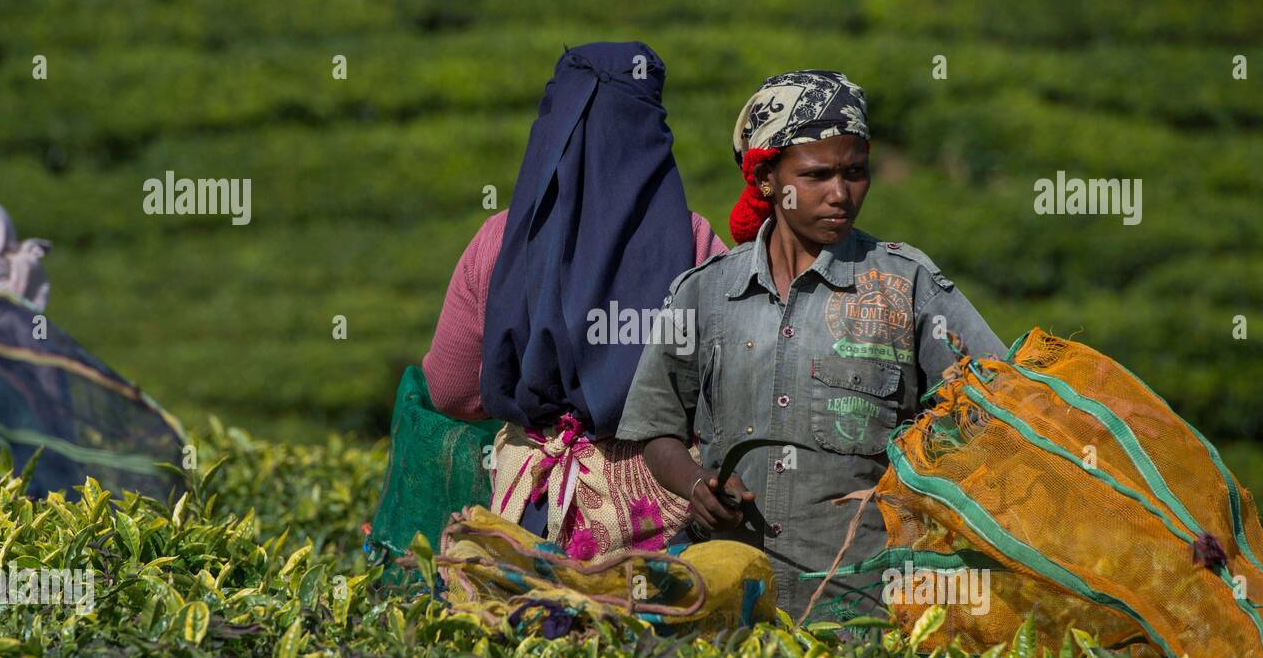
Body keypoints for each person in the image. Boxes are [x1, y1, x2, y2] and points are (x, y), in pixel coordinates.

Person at [615, 69, 1008, 623]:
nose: (841, 194)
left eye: (855, 173)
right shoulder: (704, 293)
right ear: (768, 179)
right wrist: (696, 483)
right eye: (818, 175)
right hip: (730, 595)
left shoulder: (905, 286)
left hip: (863, 602)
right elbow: (655, 426)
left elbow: (999, 406)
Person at [421, 42, 726, 561]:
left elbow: (448, 390)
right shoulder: (694, 241)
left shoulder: (498, 240)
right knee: (653, 634)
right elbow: (727, 385)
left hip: (530, 514)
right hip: (663, 514)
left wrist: (540, 410)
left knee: (535, 634)